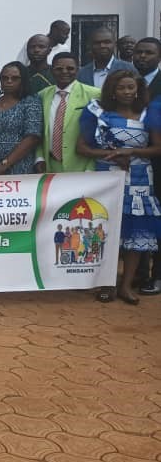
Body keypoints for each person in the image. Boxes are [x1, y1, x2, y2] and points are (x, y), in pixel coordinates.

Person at [77, 70, 161, 304]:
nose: (126, 92)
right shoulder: (98, 112)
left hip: (139, 181)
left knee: (136, 233)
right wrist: (112, 155)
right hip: (107, 179)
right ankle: (107, 284)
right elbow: (82, 148)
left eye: (131, 87)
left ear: (138, 90)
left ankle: (126, 286)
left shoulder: (149, 113)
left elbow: (158, 147)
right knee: (105, 231)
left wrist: (130, 151)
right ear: (112, 91)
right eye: (121, 88)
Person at [34, 52, 99, 173]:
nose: (64, 72)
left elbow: (100, 134)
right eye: (59, 69)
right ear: (52, 70)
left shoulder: (94, 94)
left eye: (70, 68)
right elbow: (38, 130)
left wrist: (91, 167)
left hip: (82, 167)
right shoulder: (42, 95)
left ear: (78, 70)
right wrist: (39, 158)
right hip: (49, 166)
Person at [0, 62, 44, 175]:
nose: (9, 81)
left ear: (23, 81)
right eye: (5, 78)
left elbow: (32, 137)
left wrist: (5, 164)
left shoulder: (31, 102)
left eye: (15, 78)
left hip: (19, 167)